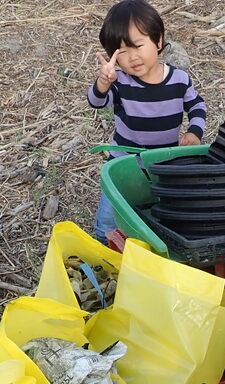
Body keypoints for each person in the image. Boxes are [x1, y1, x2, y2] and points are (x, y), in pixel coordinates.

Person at [87, 0, 206, 244]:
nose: (132, 57)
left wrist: (194, 133)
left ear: (158, 41)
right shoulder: (120, 82)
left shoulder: (179, 80)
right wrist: (103, 82)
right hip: (124, 164)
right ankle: (105, 254)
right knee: (107, 225)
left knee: (160, 219)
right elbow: (96, 102)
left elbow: (197, 105)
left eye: (138, 46)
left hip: (164, 165)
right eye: (121, 53)